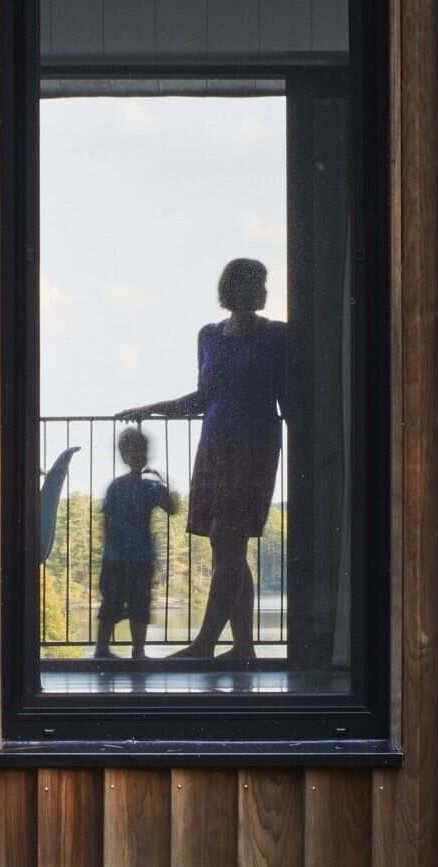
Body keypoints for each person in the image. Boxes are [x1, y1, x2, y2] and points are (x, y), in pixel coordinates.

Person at [118, 257, 285, 666]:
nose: (264, 291)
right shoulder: (208, 336)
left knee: (229, 541)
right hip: (215, 445)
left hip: (254, 447)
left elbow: (289, 396)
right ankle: (243, 648)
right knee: (226, 546)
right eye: (258, 283)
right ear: (237, 288)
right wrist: (151, 407)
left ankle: (205, 644)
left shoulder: (277, 335)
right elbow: (202, 397)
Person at [94, 426, 178, 660]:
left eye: (141, 450)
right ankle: (102, 649)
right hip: (117, 557)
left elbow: (171, 508)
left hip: (139, 556)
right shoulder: (116, 486)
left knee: (139, 604)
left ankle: (137, 650)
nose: (137, 455)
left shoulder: (151, 486)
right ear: (124, 456)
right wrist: (109, 544)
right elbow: (106, 521)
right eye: (132, 451)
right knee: (112, 603)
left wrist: (162, 482)